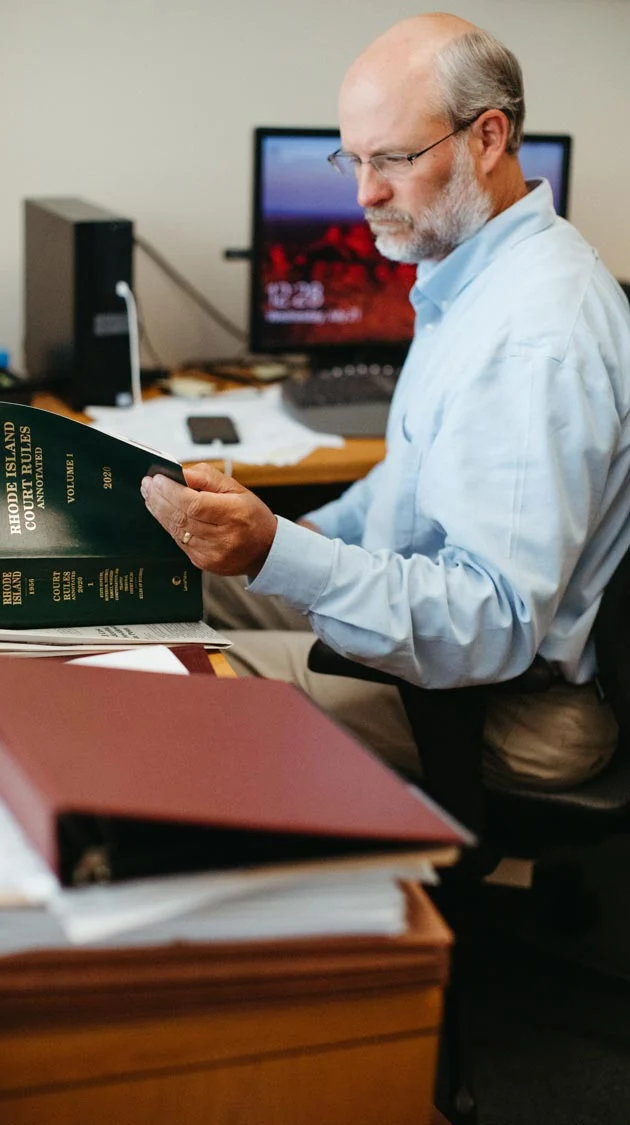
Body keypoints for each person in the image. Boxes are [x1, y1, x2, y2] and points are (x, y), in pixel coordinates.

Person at [141, 12, 630, 792]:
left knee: (171, 673)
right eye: (354, 160)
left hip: (502, 702)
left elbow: (489, 622)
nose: (365, 193)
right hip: (438, 646)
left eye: (394, 159)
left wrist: (275, 553)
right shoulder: (468, 275)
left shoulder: (536, 333)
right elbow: (407, 488)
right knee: (162, 592)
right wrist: (297, 534)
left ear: (489, 137)